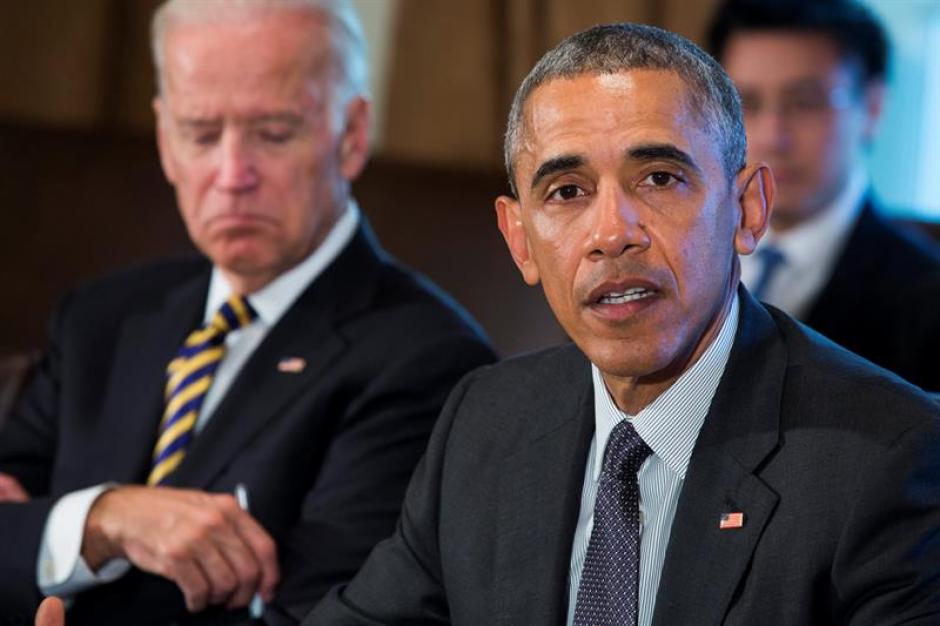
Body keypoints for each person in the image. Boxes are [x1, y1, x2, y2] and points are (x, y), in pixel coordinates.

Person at [303, 23, 940, 625]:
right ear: (519, 240)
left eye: (659, 178)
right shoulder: (485, 421)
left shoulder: (889, 457)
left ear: (747, 210)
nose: (611, 234)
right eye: (567, 192)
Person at [0, 1, 494, 623]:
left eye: (274, 133)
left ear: (351, 136)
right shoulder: (101, 319)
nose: (233, 175)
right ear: (165, 141)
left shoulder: (430, 363)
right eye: (201, 134)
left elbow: (325, 614)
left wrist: (43, 534)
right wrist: (102, 519)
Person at [708, 0, 940, 391]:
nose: (772, 136)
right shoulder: (677, 258)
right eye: (745, 103)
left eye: (805, 103)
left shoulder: (927, 304)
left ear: (873, 108)